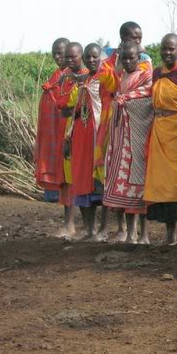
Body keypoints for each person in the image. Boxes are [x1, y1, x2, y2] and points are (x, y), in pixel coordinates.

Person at [144, 34, 177, 246]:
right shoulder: (156, 73)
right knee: (163, 185)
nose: (166, 52)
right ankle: (169, 233)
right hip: (159, 130)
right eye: (164, 48)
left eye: (171, 49)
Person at [102, 41, 154, 244]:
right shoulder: (122, 78)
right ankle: (131, 233)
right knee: (127, 189)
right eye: (125, 58)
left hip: (140, 138)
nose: (129, 61)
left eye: (133, 58)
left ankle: (145, 234)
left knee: (142, 188)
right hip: (124, 140)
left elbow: (148, 98)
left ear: (139, 58)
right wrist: (122, 100)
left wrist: (126, 100)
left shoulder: (146, 76)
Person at [67, 43, 115, 240]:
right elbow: (75, 109)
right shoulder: (84, 79)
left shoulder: (106, 77)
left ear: (101, 58)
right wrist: (67, 137)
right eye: (88, 57)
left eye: (95, 56)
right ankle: (89, 229)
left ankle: (103, 229)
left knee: (100, 182)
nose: (91, 60)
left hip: (99, 134)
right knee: (80, 179)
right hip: (81, 135)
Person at [54, 42, 88, 238]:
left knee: (77, 175)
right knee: (67, 177)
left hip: (79, 127)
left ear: (81, 56)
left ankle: (79, 225)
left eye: (73, 57)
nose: (69, 60)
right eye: (67, 57)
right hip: (65, 126)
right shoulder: (65, 76)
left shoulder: (86, 77)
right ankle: (69, 224)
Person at [35, 38, 69, 208]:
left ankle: (71, 222)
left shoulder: (73, 75)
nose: (57, 56)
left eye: (60, 53)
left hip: (65, 132)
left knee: (67, 173)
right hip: (51, 135)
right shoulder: (57, 74)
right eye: (54, 53)